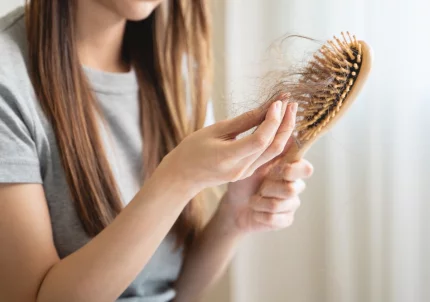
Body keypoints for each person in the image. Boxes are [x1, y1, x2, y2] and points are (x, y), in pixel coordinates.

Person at [0, 1, 313, 301]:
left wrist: (234, 216)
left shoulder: (176, 76)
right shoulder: (8, 77)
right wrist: (176, 179)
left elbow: (171, 293)